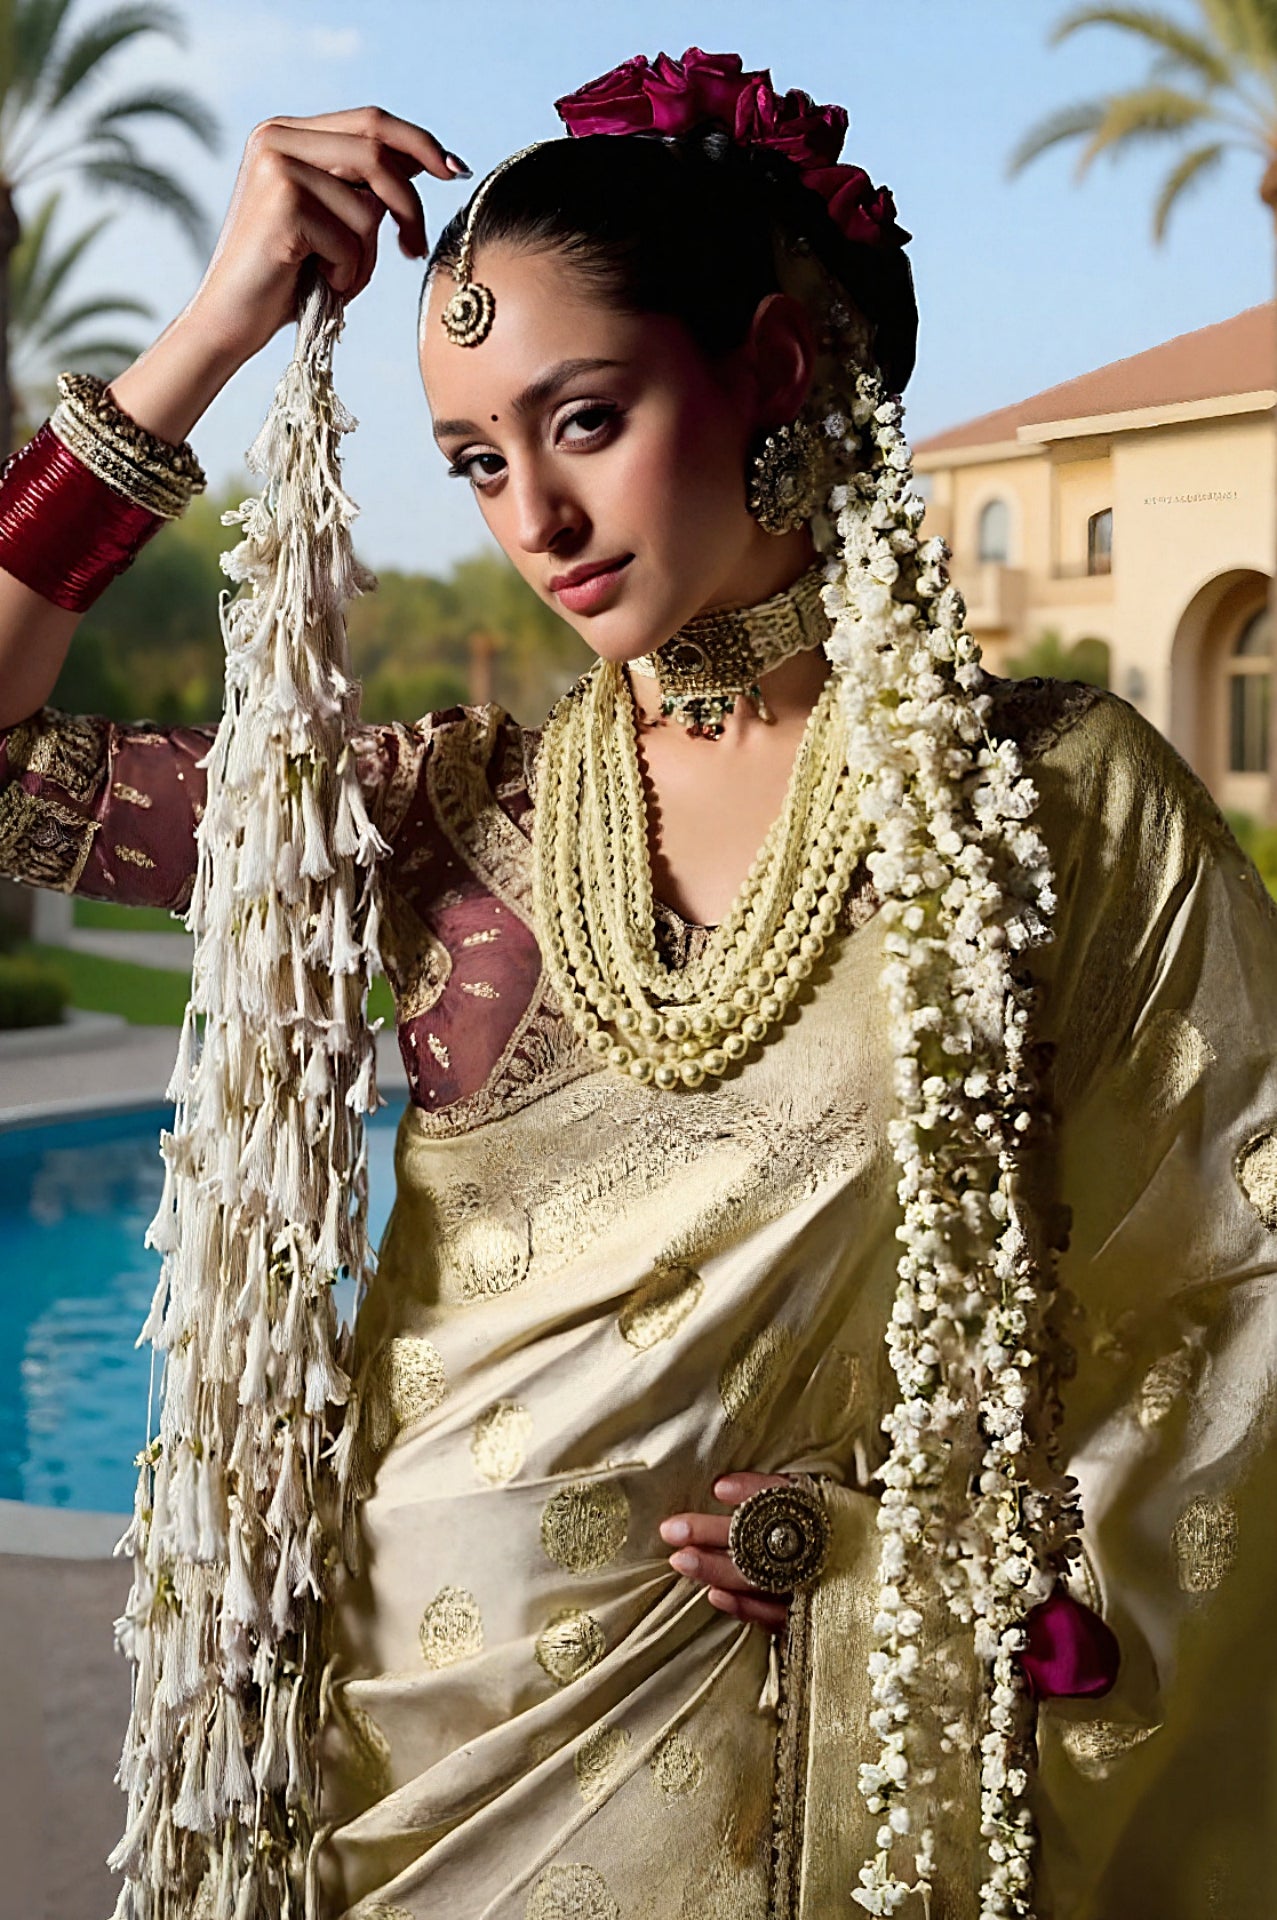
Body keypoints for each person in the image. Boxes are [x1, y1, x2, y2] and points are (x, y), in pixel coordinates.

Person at [1, 48, 1276, 1920]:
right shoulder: (446, 822)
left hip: (808, 1755)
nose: (531, 517)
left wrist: (921, 1552)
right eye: (471, 461)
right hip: (402, 1743)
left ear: (767, 368)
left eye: (581, 419)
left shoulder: (1048, 809)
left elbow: (1237, 1277)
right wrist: (210, 331)